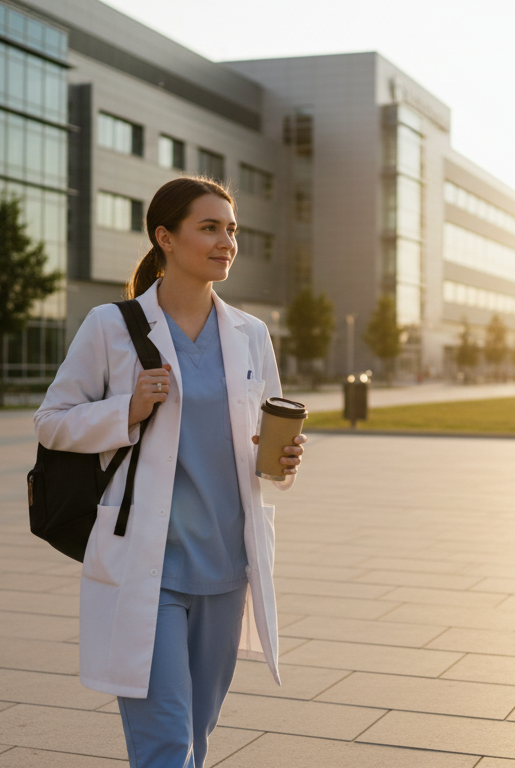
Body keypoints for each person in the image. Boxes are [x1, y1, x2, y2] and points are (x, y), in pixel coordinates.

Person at [34, 177, 305, 768]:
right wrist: (125, 409)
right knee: (165, 747)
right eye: (209, 228)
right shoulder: (112, 327)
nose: (226, 241)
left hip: (228, 567)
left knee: (196, 739)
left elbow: (265, 444)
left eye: (230, 229)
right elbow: (51, 421)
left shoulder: (250, 335)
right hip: (148, 568)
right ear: (166, 238)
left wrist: (284, 459)